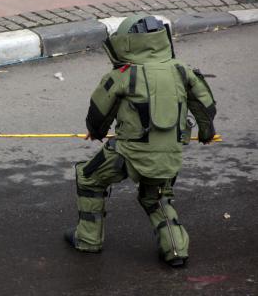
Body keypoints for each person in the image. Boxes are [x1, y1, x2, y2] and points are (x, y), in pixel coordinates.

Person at [65, 14, 217, 267]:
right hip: (169, 153)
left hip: (127, 153)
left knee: (89, 177)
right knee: (157, 196)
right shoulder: (182, 70)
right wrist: (206, 133)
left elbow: (99, 112)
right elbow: (206, 107)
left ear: (127, 42)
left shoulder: (124, 74)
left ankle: (88, 240)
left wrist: (97, 131)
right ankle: (176, 250)